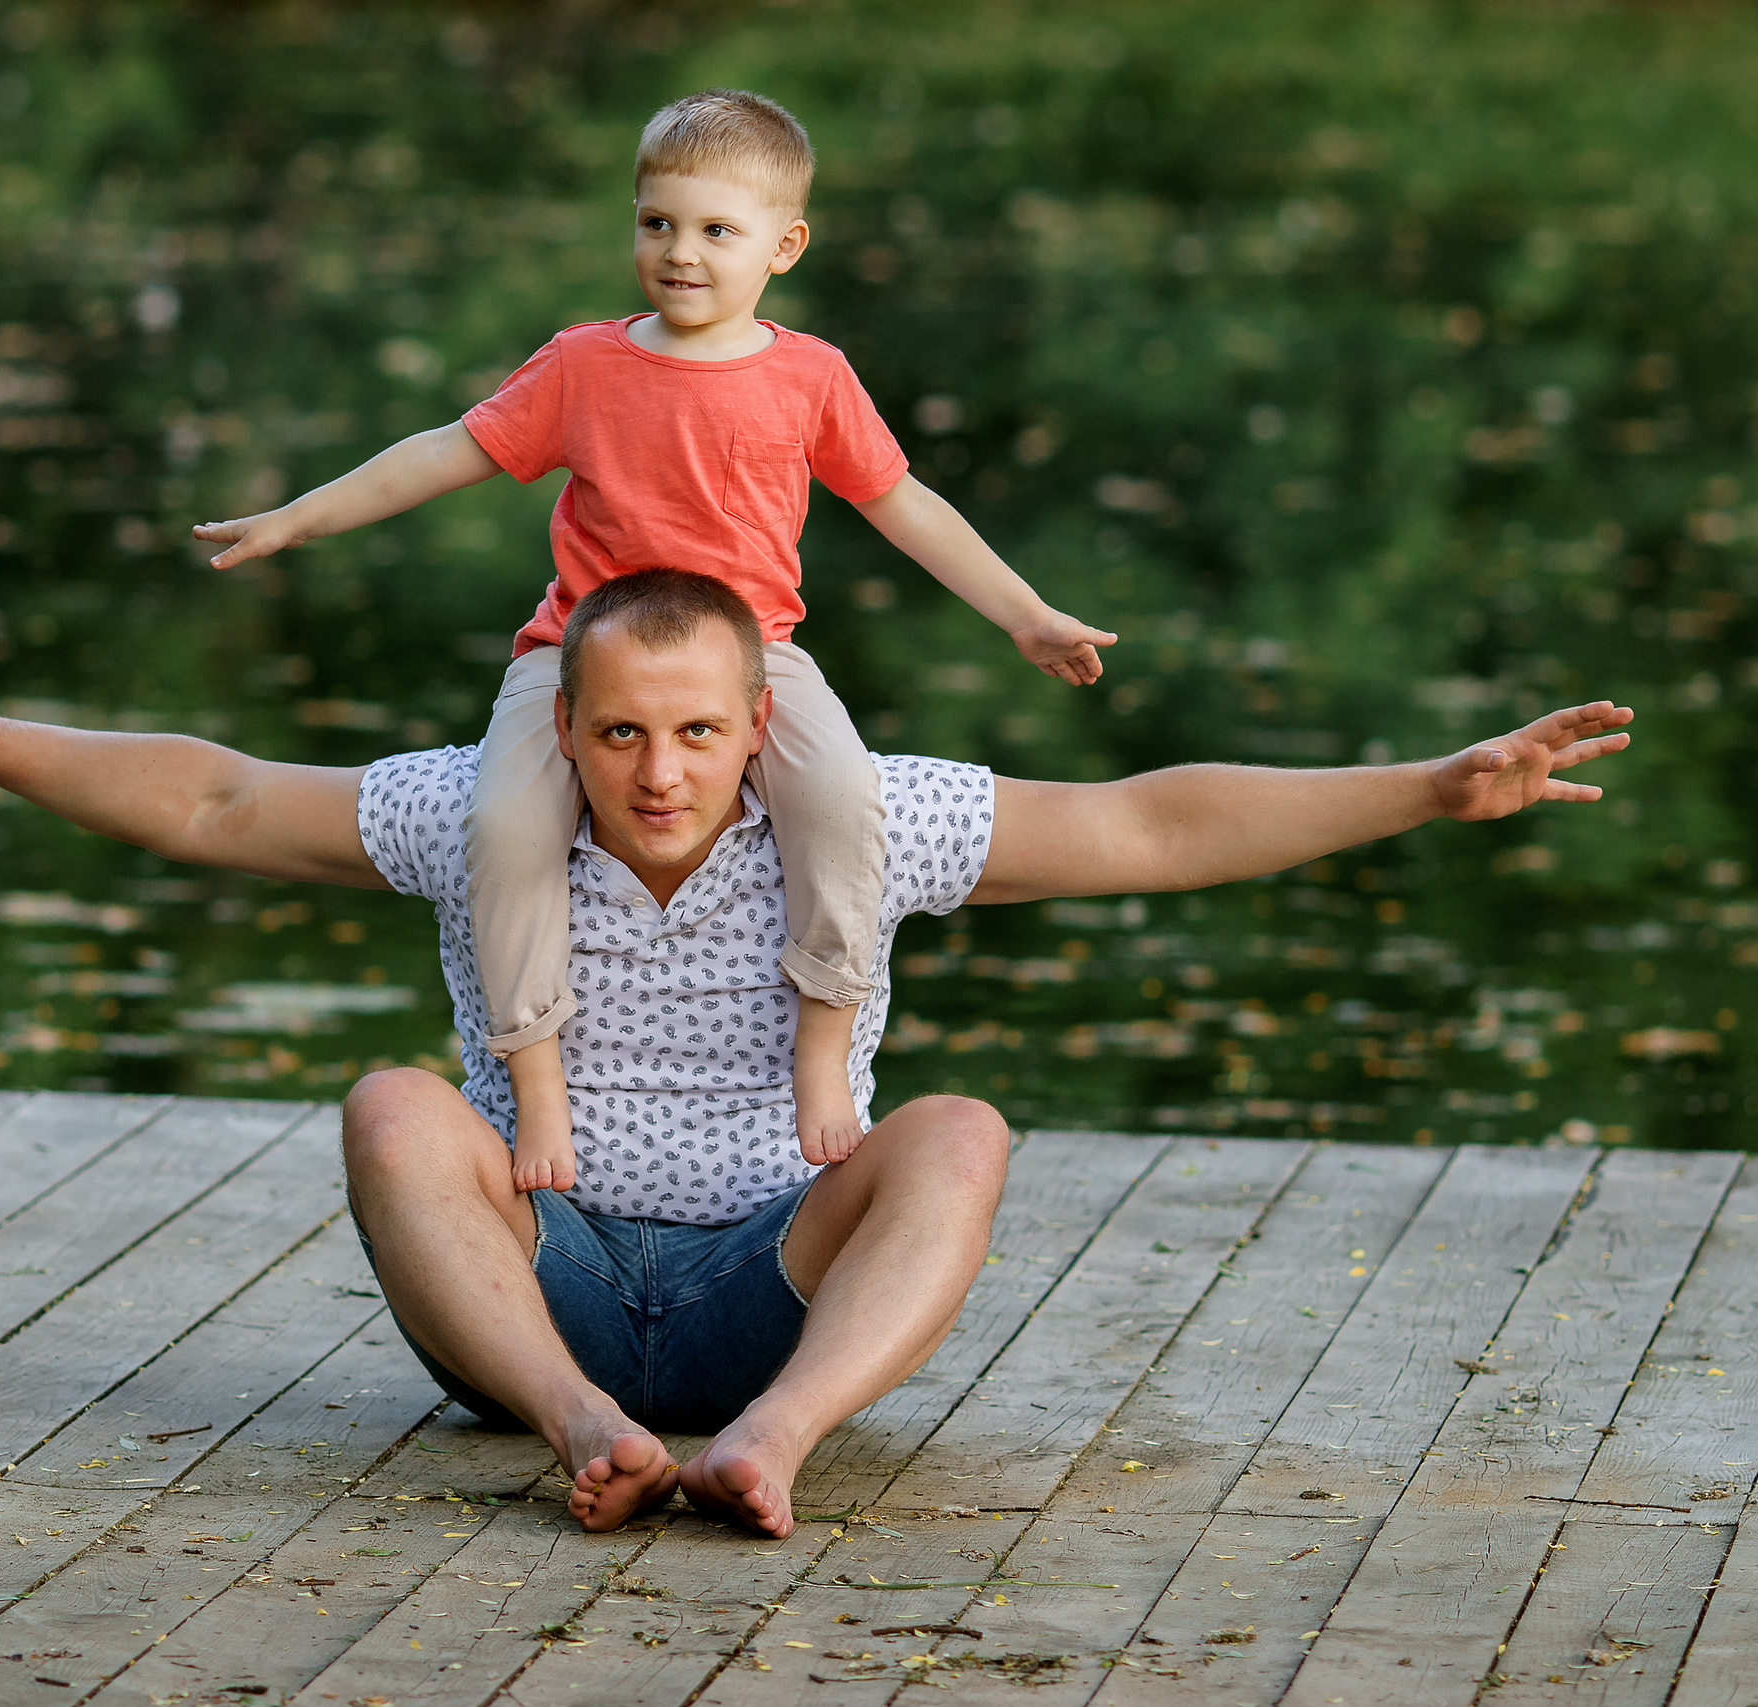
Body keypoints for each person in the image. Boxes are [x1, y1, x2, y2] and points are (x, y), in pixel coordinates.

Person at [0, 570, 1631, 1539]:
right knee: (395, 1100)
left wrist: (1429, 789)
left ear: (758, 728)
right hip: (539, 1282)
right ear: (565, 728)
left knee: (959, 1128)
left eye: (700, 731)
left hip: (767, 1279)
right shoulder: (474, 818)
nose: (661, 771)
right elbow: (222, 797)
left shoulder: (859, 821)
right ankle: (587, 1433)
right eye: (624, 733)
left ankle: (762, 1449)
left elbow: (1143, 821)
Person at [188, 88, 1117, 1199]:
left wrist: (1025, 614)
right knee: (503, 818)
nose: (680, 253)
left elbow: (903, 503)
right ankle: (535, 1080)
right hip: (576, 655)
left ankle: (823, 1045)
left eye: (716, 231)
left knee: (844, 800)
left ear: (784, 245)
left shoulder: (809, 377)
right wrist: (299, 514)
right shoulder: (584, 365)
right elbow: (448, 451)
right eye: (656, 223)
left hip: (754, 654)